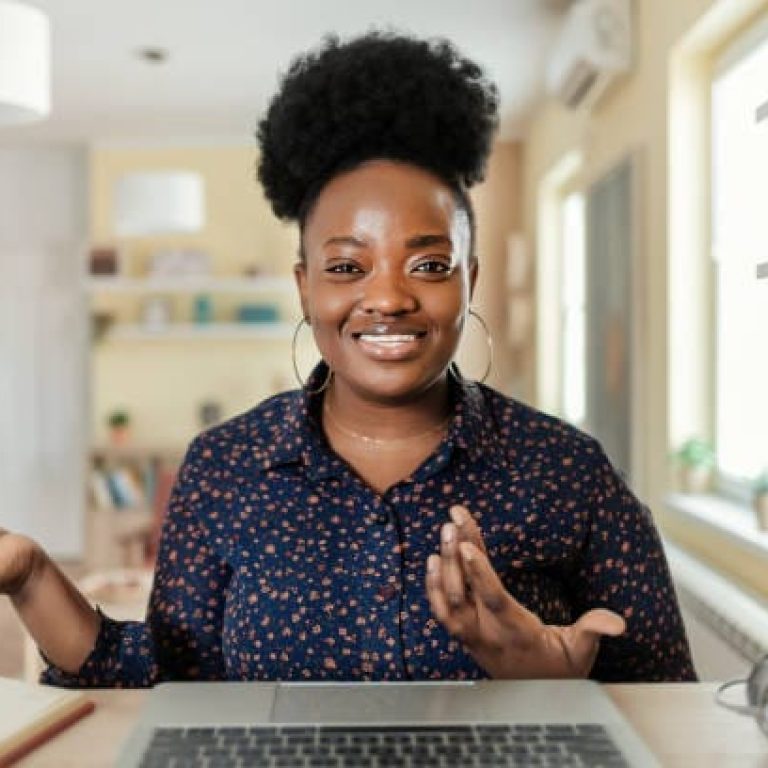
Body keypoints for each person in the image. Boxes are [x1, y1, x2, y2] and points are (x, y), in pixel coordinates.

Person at [0, 31, 695, 687]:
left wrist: (552, 680)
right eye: (345, 265)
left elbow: (672, 708)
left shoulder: (568, 473)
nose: (387, 297)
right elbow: (168, 680)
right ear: (305, 285)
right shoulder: (223, 469)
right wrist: (32, 577)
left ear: (469, 280)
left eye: (427, 263)